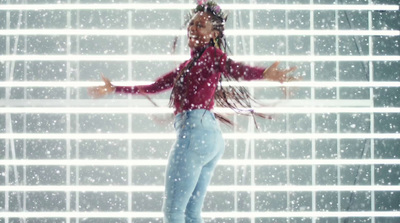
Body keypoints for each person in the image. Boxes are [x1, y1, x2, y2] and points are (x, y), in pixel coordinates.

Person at [88, 1, 296, 222]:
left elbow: (236, 69)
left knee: (174, 212)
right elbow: (153, 87)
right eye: (192, 23)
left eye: (200, 25)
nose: (193, 28)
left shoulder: (213, 56)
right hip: (209, 138)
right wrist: (115, 88)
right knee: (190, 212)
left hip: (195, 135)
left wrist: (264, 73)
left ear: (213, 34)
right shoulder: (187, 66)